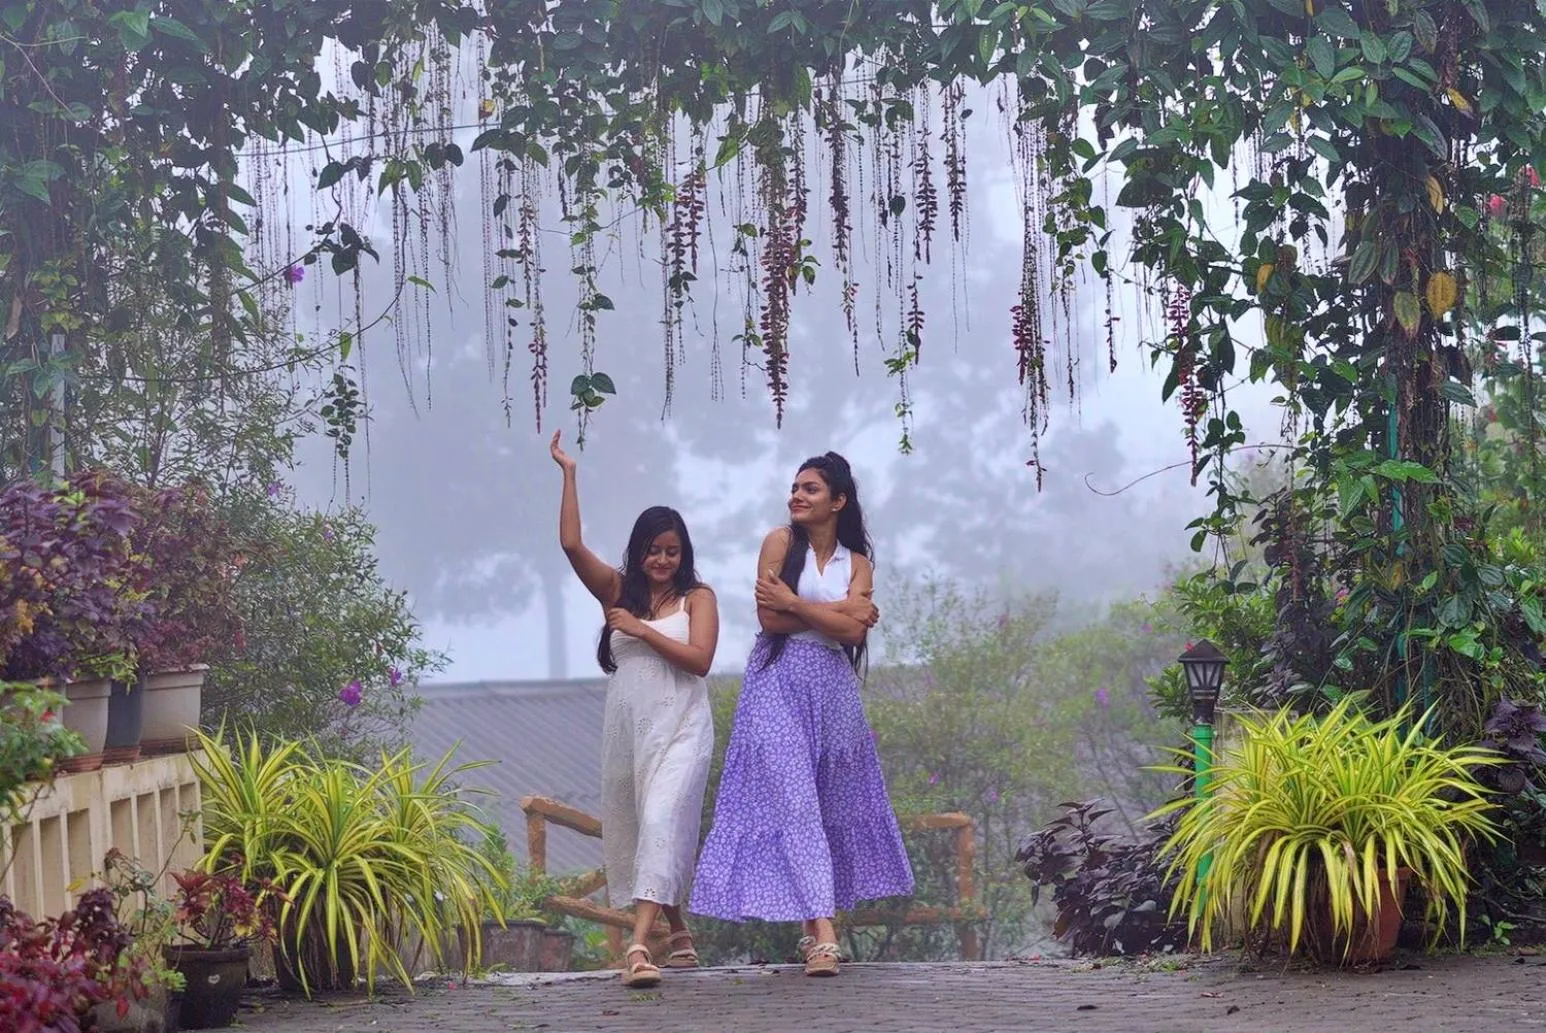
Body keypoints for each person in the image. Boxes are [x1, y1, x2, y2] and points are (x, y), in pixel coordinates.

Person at [691, 451, 913, 977]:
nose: (797, 495)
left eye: (810, 489)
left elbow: (854, 632)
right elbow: (770, 619)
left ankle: (812, 928)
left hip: (832, 689)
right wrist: (834, 610)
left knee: (825, 803)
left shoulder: (857, 563)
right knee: (795, 802)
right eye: (794, 487)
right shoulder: (779, 542)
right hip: (777, 683)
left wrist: (797, 603)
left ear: (838, 500)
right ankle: (825, 933)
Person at [550, 430, 718, 989]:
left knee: (662, 820)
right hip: (628, 729)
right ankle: (680, 932)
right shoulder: (617, 591)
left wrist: (643, 630)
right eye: (654, 550)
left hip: (683, 727)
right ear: (639, 550)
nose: (662, 559)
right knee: (649, 828)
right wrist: (569, 474)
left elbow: (700, 660)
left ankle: (639, 946)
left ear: (683, 553)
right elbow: (571, 546)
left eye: (672, 551)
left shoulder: (698, 598)